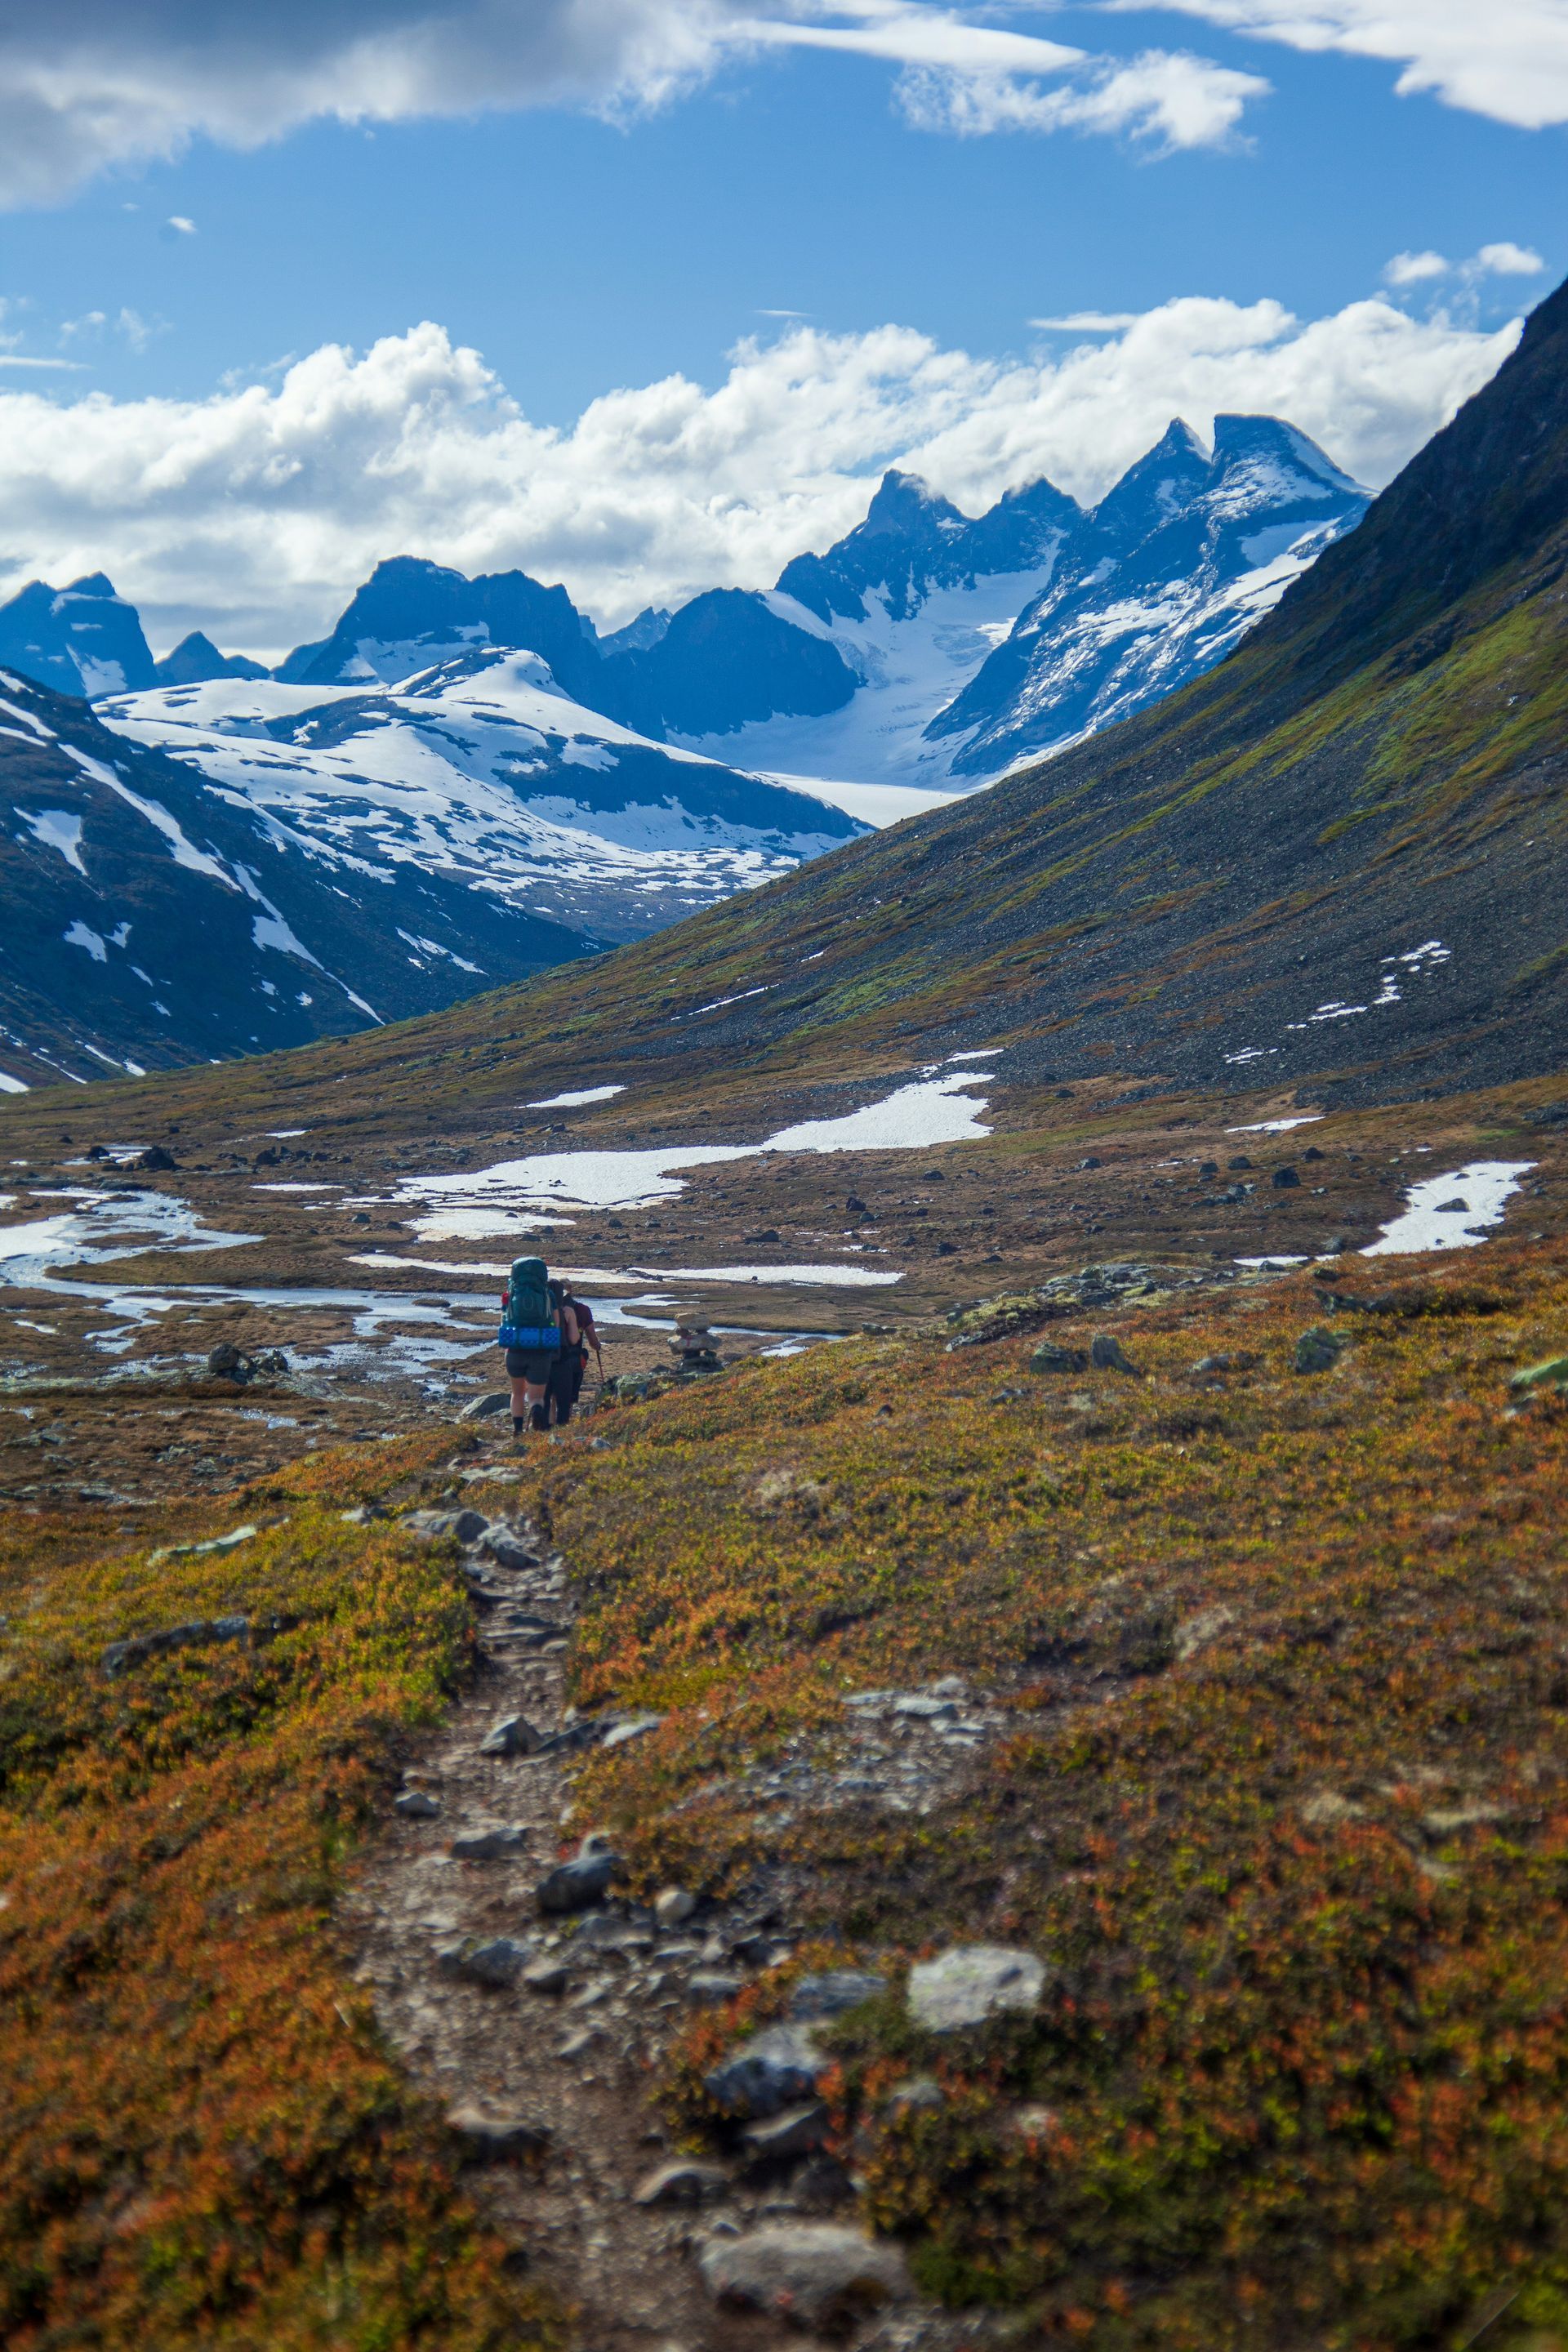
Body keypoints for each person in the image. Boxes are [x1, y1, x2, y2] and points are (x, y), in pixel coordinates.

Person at [500, 1254, 561, 1434]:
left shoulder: (509, 1294)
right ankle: (535, 1410)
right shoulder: (548, 1294)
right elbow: (556, 1323)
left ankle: (518, 1431)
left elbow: (503, 1320)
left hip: (515, 1348)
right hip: (541, 1350)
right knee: (536, 1396)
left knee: (517, 1392)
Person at [546, 1281, 602, 1423]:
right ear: (570, 1290)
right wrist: (597, 1346)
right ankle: (564, 1429)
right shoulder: (582, 1309)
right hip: (572, 1359)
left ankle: (547, 1429)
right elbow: (591, 1339)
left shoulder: (545, 1308)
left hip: (547, 1357)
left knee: (550, 1396)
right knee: (568, 1398)